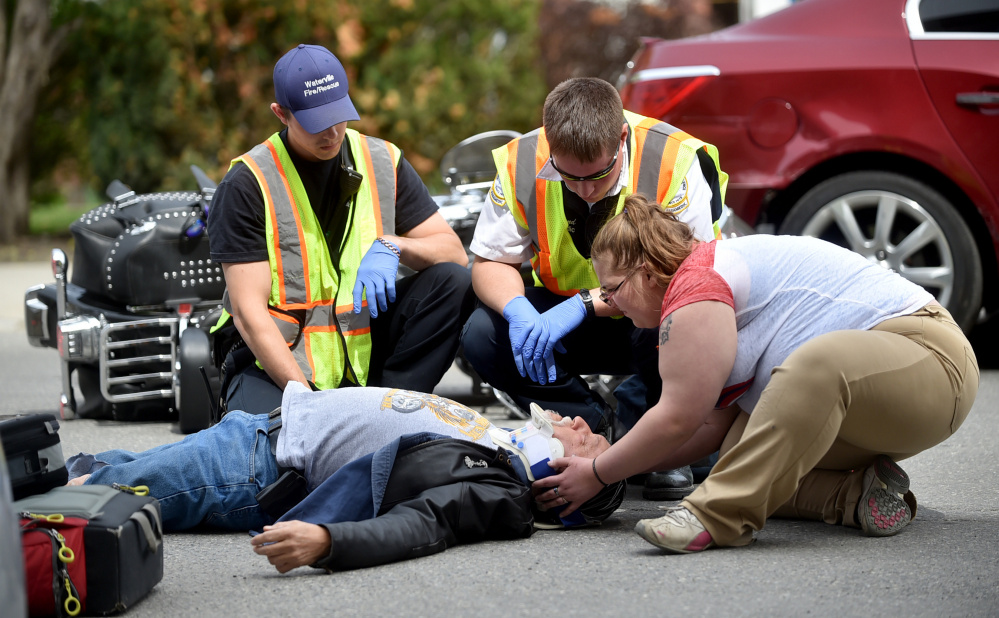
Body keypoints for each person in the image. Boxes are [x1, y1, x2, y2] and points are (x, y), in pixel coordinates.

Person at [533, 193, 979, 553]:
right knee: (738, 455)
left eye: (611, 289)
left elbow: (677, 417)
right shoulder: (703, 290)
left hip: (933, 360)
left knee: (814, 364)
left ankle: (717, 517)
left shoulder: (696, 282)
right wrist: (610, 461)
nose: (610, 304)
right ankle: (857, 497)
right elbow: (707, 427)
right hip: (874, 398)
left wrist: (598, 473)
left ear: (646, 273)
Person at [460, 77, 727, 500]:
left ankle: (669, 446)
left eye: (600, 174)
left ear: (621, 137)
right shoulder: (522, 161)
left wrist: (587, 304)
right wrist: (517, 311)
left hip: (651, 313)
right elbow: (492, 260)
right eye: (568, 176)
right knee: (482, 333)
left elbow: (682, 275)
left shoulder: (672, 160)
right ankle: (593, 428)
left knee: (667, 322)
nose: (585, 189)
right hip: (567, 319)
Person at [66, 384, 626, 571]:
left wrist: (329, 541)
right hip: (264, 428)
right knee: (85, 470)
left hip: (254, 470)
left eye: (591, 440)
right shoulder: (505, 448)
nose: (581, 422)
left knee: (85, 499)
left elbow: (423, 525)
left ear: (567, 481)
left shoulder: (501, 490)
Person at [207, 44, 473, 416]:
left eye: (339, 115)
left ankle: (393, 413)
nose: (332, 132)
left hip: (358, 348)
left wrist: (392, 245)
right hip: (275, 362)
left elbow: (452, 251)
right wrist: (307, 405)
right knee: (272, 453)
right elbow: (249, 315)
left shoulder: (381, 160)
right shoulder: (247, 185)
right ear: (281, 114)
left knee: (453, 282)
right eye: (316, 121)